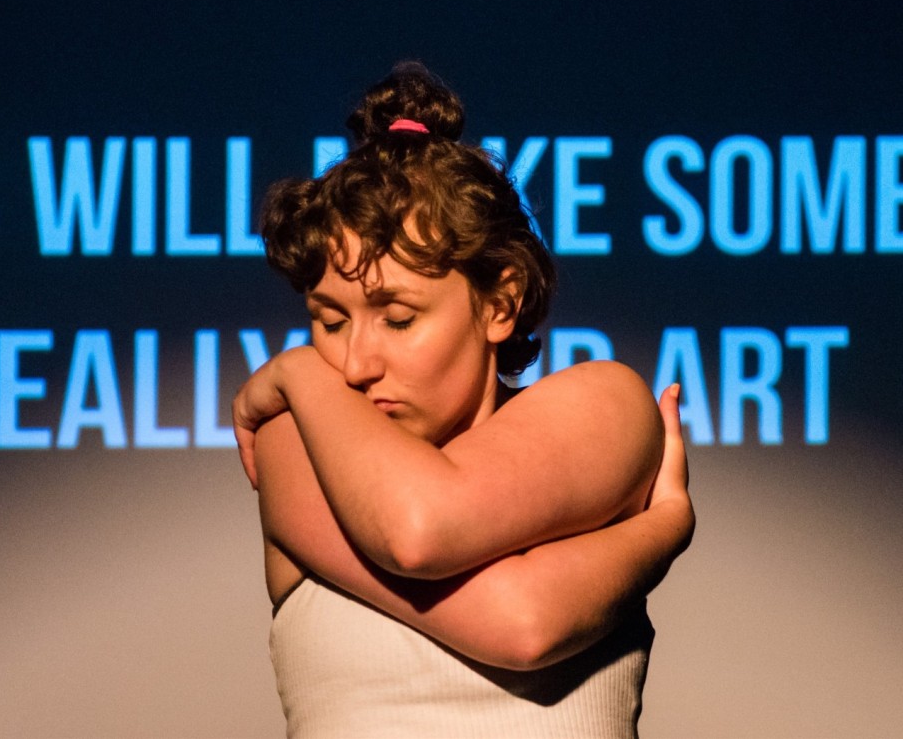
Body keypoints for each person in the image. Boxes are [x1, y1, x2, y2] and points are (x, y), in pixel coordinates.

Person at [233, 62, 694, 738]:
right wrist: (663, 527)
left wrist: (298, 372)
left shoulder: (606, 401)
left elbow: (516, 619)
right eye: (329, 323)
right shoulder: (296, 443)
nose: (353, 365)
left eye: (398, 318)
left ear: (500, 302)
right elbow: (439, 549)